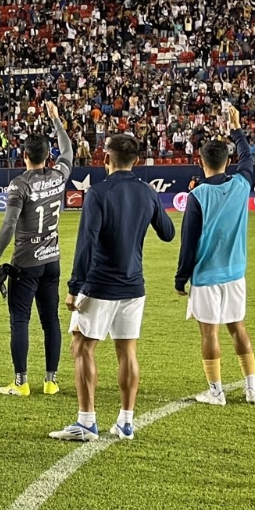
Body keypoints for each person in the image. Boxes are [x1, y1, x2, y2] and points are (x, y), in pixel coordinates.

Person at [50, 133, 175, 441]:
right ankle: (126, 421)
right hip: (134, 286)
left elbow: (86, 244)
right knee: (127, 351)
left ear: (105, 159)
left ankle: (87, 421)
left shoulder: (98, 193)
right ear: (135, 160)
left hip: (100, 285)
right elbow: (169, 232)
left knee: (81, 347)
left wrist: (74, 286)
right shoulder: (147, 192)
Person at [174, 105, 255, 407]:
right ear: (229, 161)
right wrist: (236, 128)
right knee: (238, 327)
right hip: (235, 272)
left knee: (209, 332)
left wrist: (180, 278)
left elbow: (188, 242)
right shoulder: (241, 184)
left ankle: (216, 392)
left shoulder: (197, 196)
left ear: (201, 161)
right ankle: (252, 389)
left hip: (206, 275)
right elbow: (249, 157)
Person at [0, 100, 74, 397]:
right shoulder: (58, 175)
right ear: (47, 155)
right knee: (50, 320)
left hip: (26, 262)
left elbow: (9, 224)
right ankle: (51, 381)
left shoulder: (19, 184)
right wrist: (56, 120)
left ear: (24, 156)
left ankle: (21, 382)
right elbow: (68, 152)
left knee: (20, 321)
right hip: (52, 260)